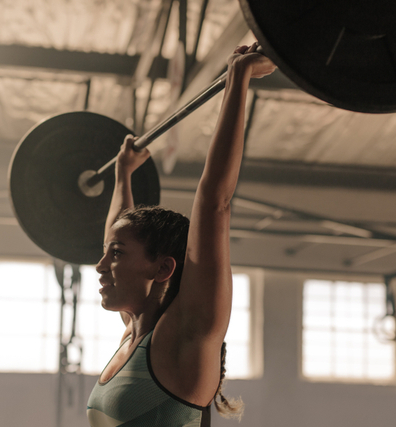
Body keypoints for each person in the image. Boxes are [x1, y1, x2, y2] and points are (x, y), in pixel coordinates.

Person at [86, 43, 276, 427]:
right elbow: (117, 232)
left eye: (117, 255)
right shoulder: (134, 333)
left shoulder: (188, 333)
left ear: (162, 268)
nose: (100, 265)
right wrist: (124, 173)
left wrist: (238, 79)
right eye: (109, 254)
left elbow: (214, 202)